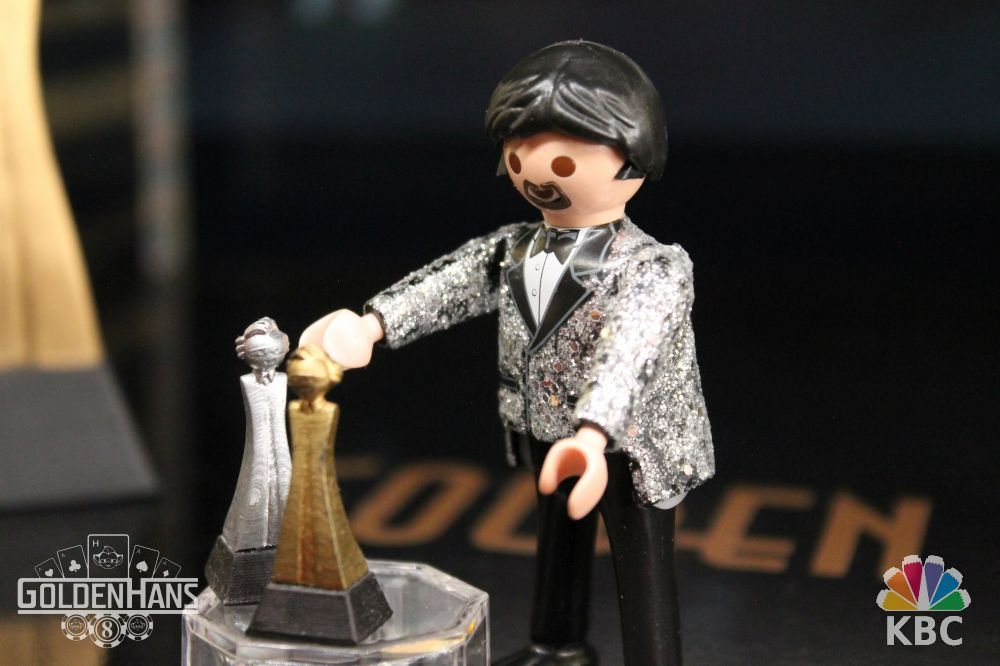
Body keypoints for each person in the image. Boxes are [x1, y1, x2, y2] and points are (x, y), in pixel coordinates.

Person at [301, 40, 714, 666]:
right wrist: (372, 324)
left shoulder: (654, 268)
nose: (535, 175)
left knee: (642, 568)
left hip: (633, 448)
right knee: (557, 545)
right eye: (518, 157)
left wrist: (594, 434)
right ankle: (556, 647)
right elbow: (451, 283)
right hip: (545, 428)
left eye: (563, 162)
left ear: (633, 158)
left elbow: (630, 351)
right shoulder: (514, 247)